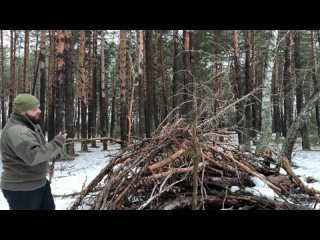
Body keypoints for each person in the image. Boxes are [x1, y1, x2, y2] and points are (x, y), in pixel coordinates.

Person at [0, 93, 68, 210]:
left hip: (37, 183)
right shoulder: (17, 131)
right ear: (22, 112)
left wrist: (44, 165)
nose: (39, 111)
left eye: (38, 107)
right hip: (23, 189)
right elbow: (34, 155)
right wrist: (57, 143)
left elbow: (34, 151)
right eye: (34, 109)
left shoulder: (29, 124)